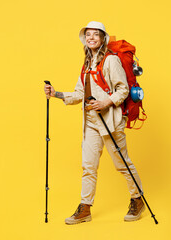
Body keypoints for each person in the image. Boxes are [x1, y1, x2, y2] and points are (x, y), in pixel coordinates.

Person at [44, 21, 145, 225]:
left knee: (122, 164)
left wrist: (105, 102)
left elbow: (122, 89)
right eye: (88, 35)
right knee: (88, 166)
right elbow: (80, 94)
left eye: (95, 35)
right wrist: (57, 94)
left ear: (102, 38)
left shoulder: (111, 61)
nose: (91, 38)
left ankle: (137, 199)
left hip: (110, 121)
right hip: (90, 122)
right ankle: (85, 208)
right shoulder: (86, 64)